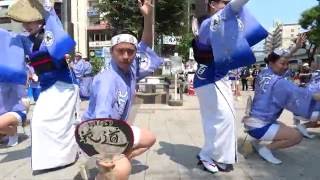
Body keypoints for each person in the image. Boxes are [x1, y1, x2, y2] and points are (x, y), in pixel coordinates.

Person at [82, 0, 163, 179]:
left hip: (119, 129)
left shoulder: (131, 66)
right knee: (122, 171)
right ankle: (105, 171)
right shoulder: (107, 80)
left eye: (130, 51)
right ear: (111, 51)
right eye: (120, 51)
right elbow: (100, 120)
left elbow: (146, 44)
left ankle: (121, 157)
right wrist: (105, 156)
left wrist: (148, 17)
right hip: (96, 134)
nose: (126, 56)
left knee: (149, 139)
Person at [2, 0, 79, 171]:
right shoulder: (25, 41)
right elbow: (5, 38)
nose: (26, 26)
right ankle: (50, 159)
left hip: (63, 84)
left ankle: (66, 156)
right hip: (46, 86)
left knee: (59, 122)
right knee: (38, 122)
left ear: (40, 21)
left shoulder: (50, 33)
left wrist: (46, 8)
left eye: (30, 22)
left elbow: (54, 23)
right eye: (24, 23)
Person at [192, 0, 267, 173]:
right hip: (211, 79)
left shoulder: (210, 24)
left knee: (216, 120)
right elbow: (235, 6)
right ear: (212, 4)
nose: (227, 4)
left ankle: (212, 154)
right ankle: (211, 156)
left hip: (209, 78)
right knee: (224, 119)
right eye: (224, 1)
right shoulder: (212, 22)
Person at [243, 38, 320, 165]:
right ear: (272, 63)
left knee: (285, 128)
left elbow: (281, 58)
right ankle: (266, 149)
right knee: (296, 136)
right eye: (282, 64)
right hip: (259, 126)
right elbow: (306, 95)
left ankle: (257, 142)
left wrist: (294, 48)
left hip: (252, 121)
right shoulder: (280, 84)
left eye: (287, 64)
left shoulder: (264, 73)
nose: (285, 67)